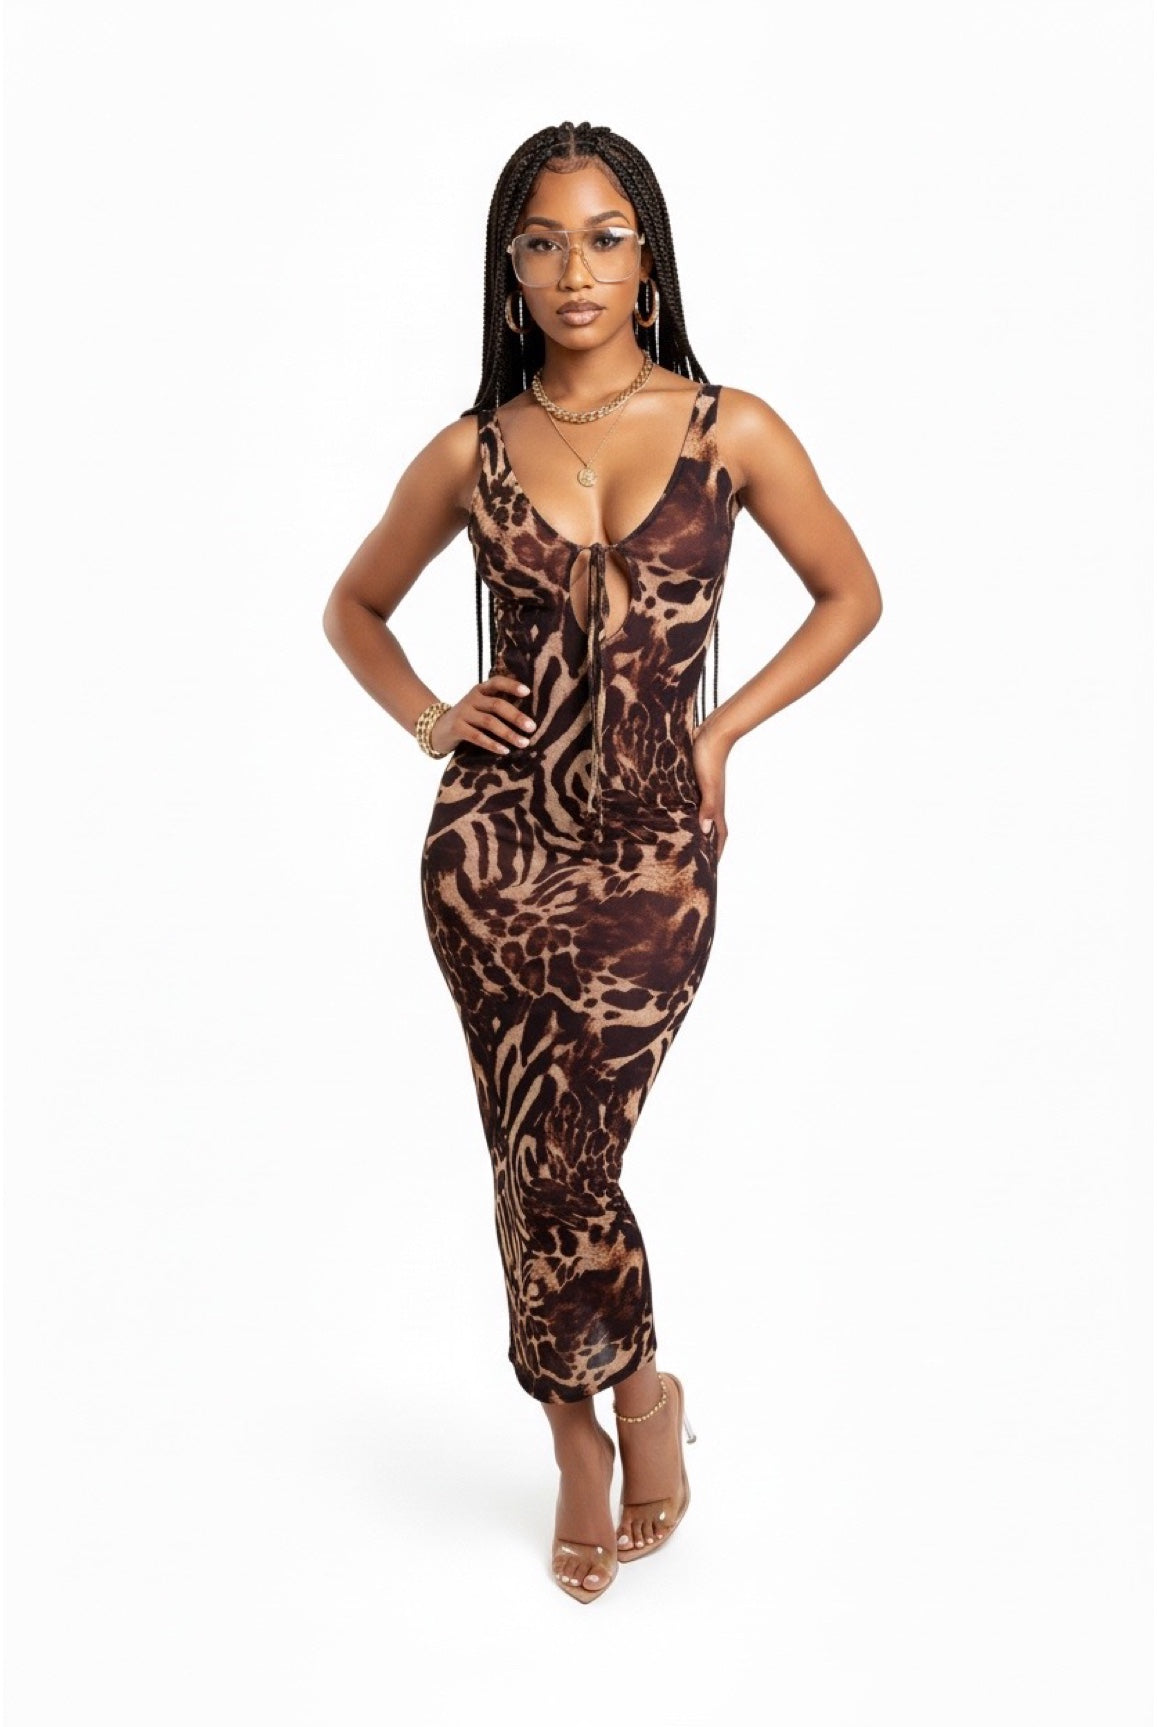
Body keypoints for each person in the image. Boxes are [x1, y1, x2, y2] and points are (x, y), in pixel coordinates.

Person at [322, 120, 882, 1605]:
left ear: (649, 258)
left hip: (652, 854)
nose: (575, 269)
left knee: (570, 1154)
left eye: (604, 236)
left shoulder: (729, 429)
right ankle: (589, 1421)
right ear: (509, 271)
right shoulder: (473, 451)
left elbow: (851, 594)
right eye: (543, 242)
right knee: (529, 1150)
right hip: (490, 856)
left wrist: (723, 733)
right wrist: (434, 720)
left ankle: (628, 1392)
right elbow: (353, 609)